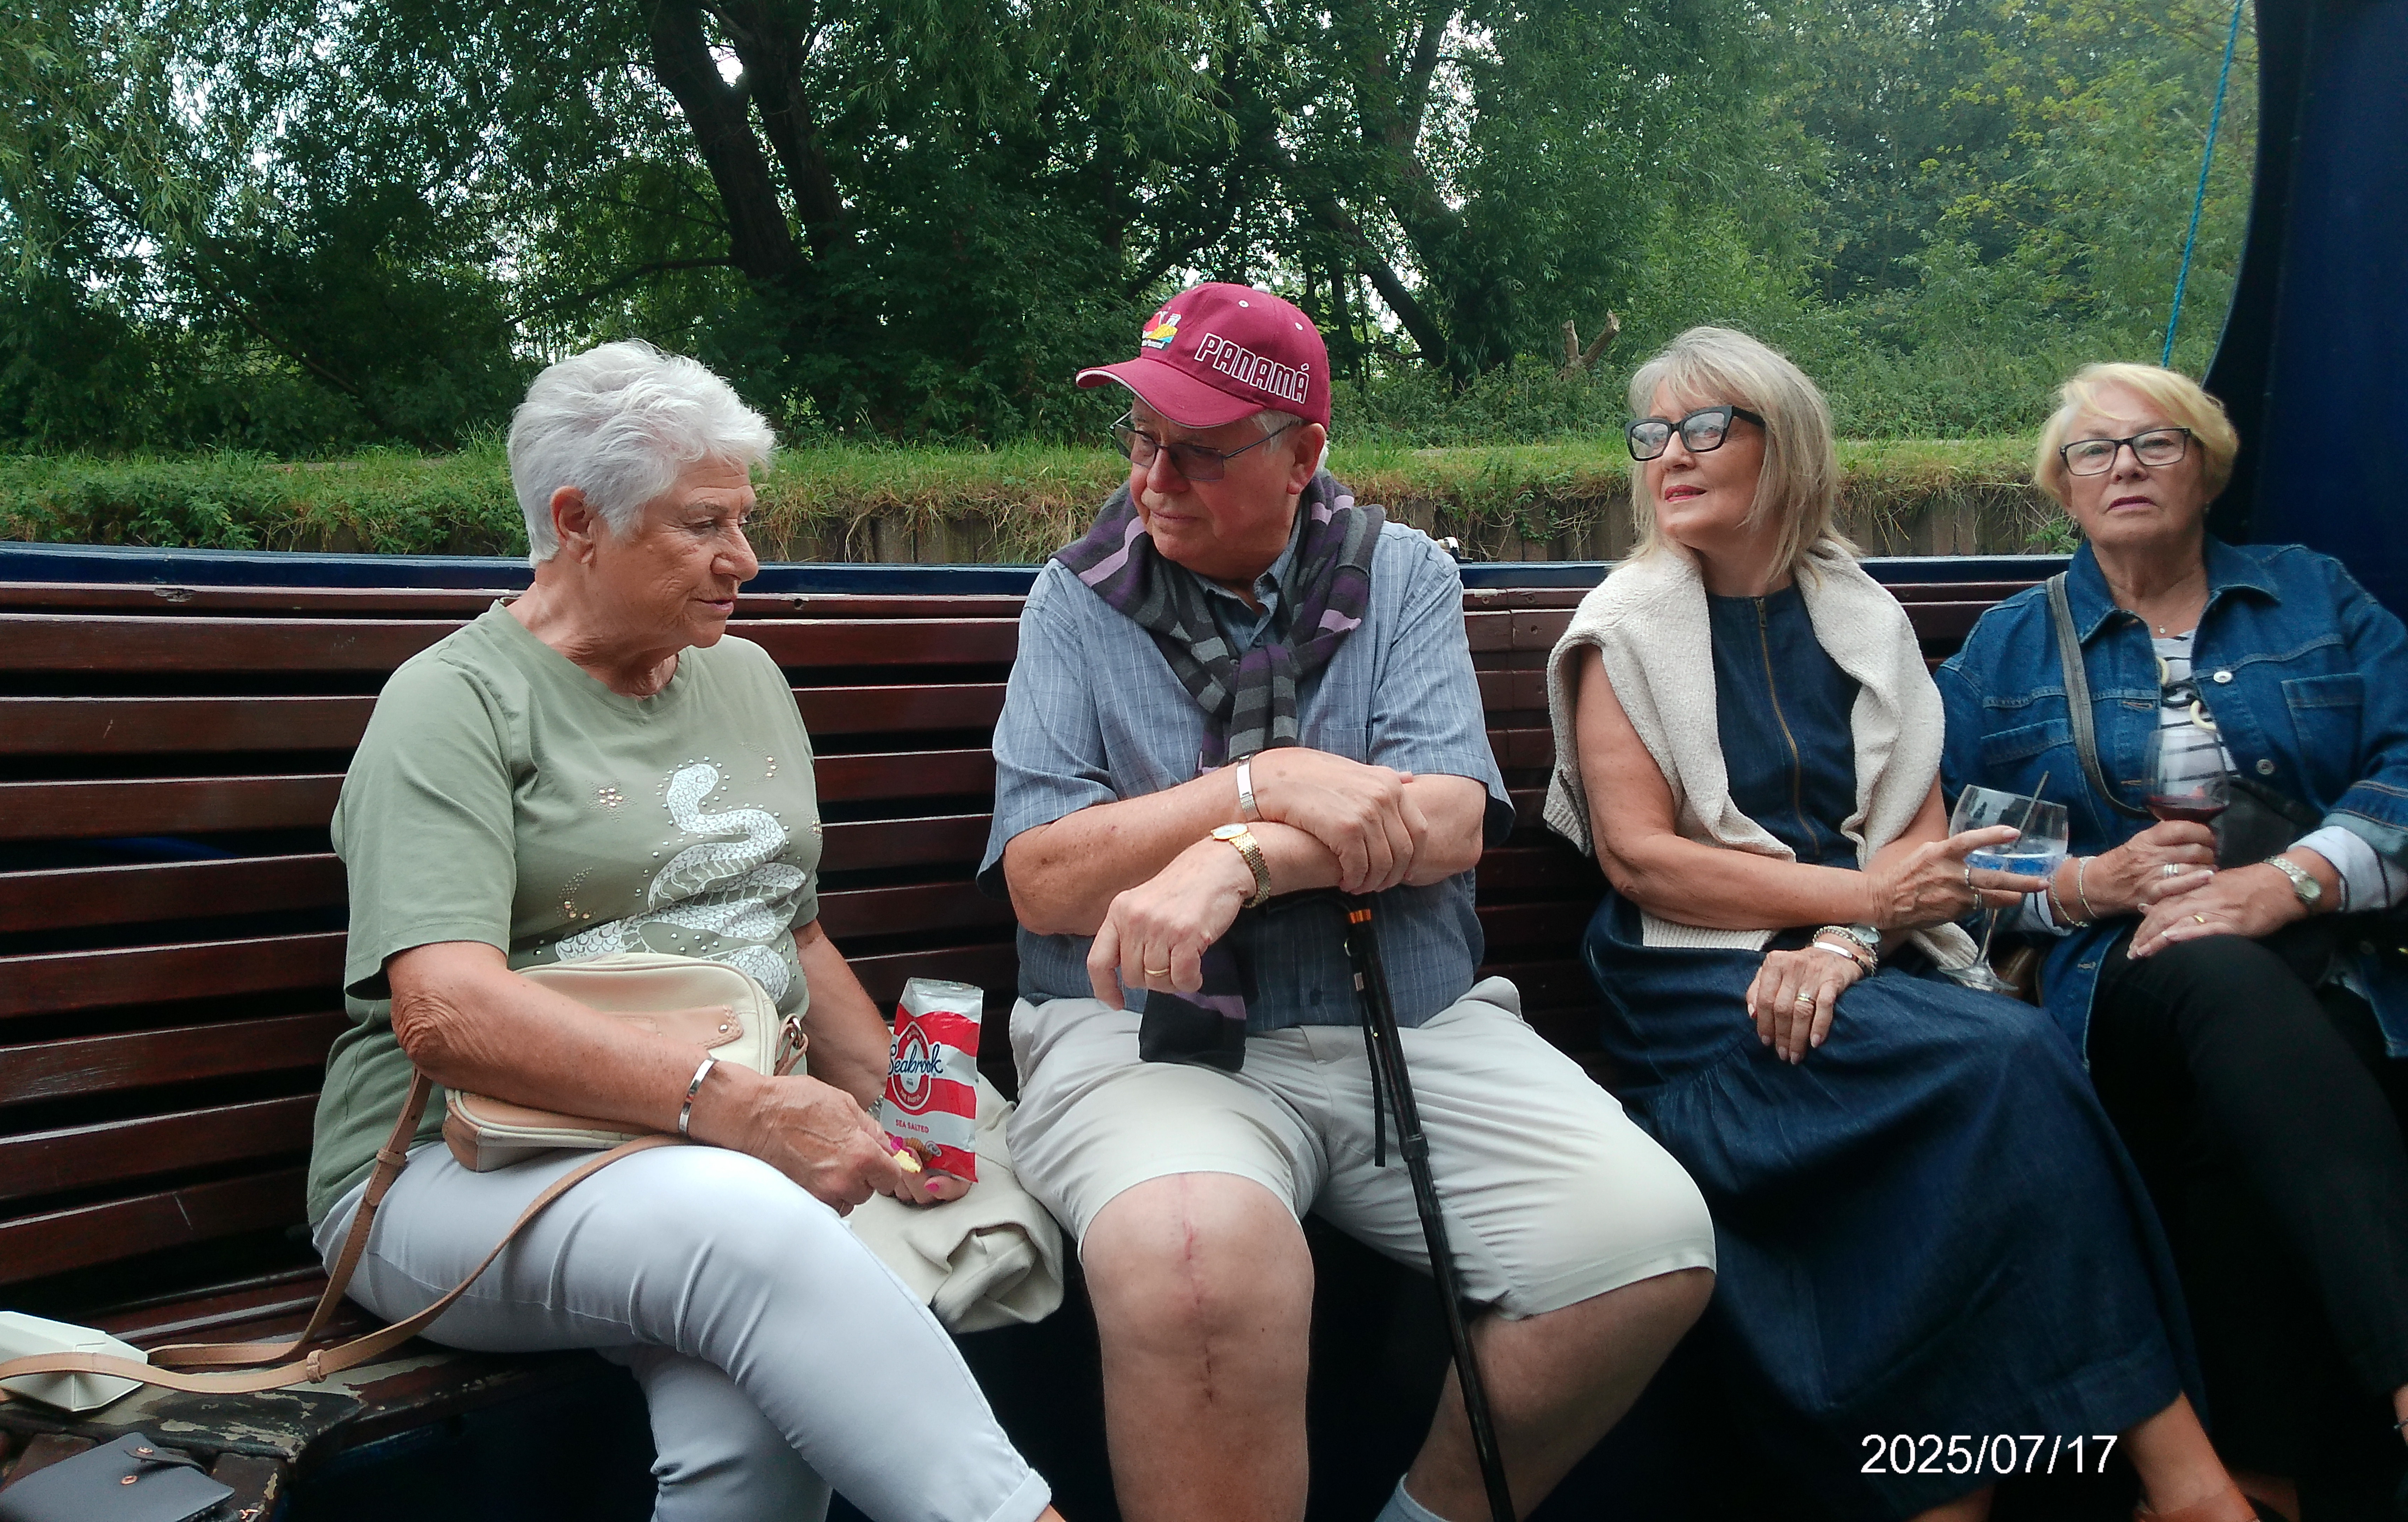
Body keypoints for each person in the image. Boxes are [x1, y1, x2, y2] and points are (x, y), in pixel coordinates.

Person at [981, 281, 1717, 1522]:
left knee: (1646, 1247)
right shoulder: (1073, 599)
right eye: (1141, 437)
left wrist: (1239, 858)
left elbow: (1449, 821)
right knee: (1197, 1271)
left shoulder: (1406, 576)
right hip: (1148, 1038)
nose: (1155, 476)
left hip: (1408, 1021)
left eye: (1200, 449)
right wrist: (1272, 782)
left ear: (1303, 453)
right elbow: (1047, 877)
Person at [304, 340, 1062, 1522]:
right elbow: (443, 1013)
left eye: (745, 522)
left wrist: (920, 1125)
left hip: (703, 1171)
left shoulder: (744, 676)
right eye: (704, 525)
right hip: (450, 1174)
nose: (745, 563)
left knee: (757, 1418)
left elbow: (788, 934)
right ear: (577, 521)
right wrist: (753, 1112)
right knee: (757, 1230)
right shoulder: (451, 704)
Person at [1545, 327, 2262, 1522]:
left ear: (1788, 447)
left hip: (1864, 962)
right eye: (1653, 433)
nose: (1671, 453)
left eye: (1707, 426)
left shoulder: (1862, 618)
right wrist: (1856, 908)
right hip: (1692, 988)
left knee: (1982, 1087)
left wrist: (1845, 941)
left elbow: (1913, 857)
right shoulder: (1620, 631)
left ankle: (1945, 1496)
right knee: (2006, 1061)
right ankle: (2182, 1480)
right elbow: (1645, 861)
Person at [1939, 361, 2408, 1520]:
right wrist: (2092, 880)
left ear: (2207, 467)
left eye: (2158, 444)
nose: (2126, 469)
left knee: (2262, 1075)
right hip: (2122, 987)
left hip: (2330, 965)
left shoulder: (2315, 596)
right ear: (2063, 487)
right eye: (2095, 452)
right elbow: (1949, 863)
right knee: (2210, 969)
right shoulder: (2007, 650)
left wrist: (2292, 881)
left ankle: (2259, 1487)